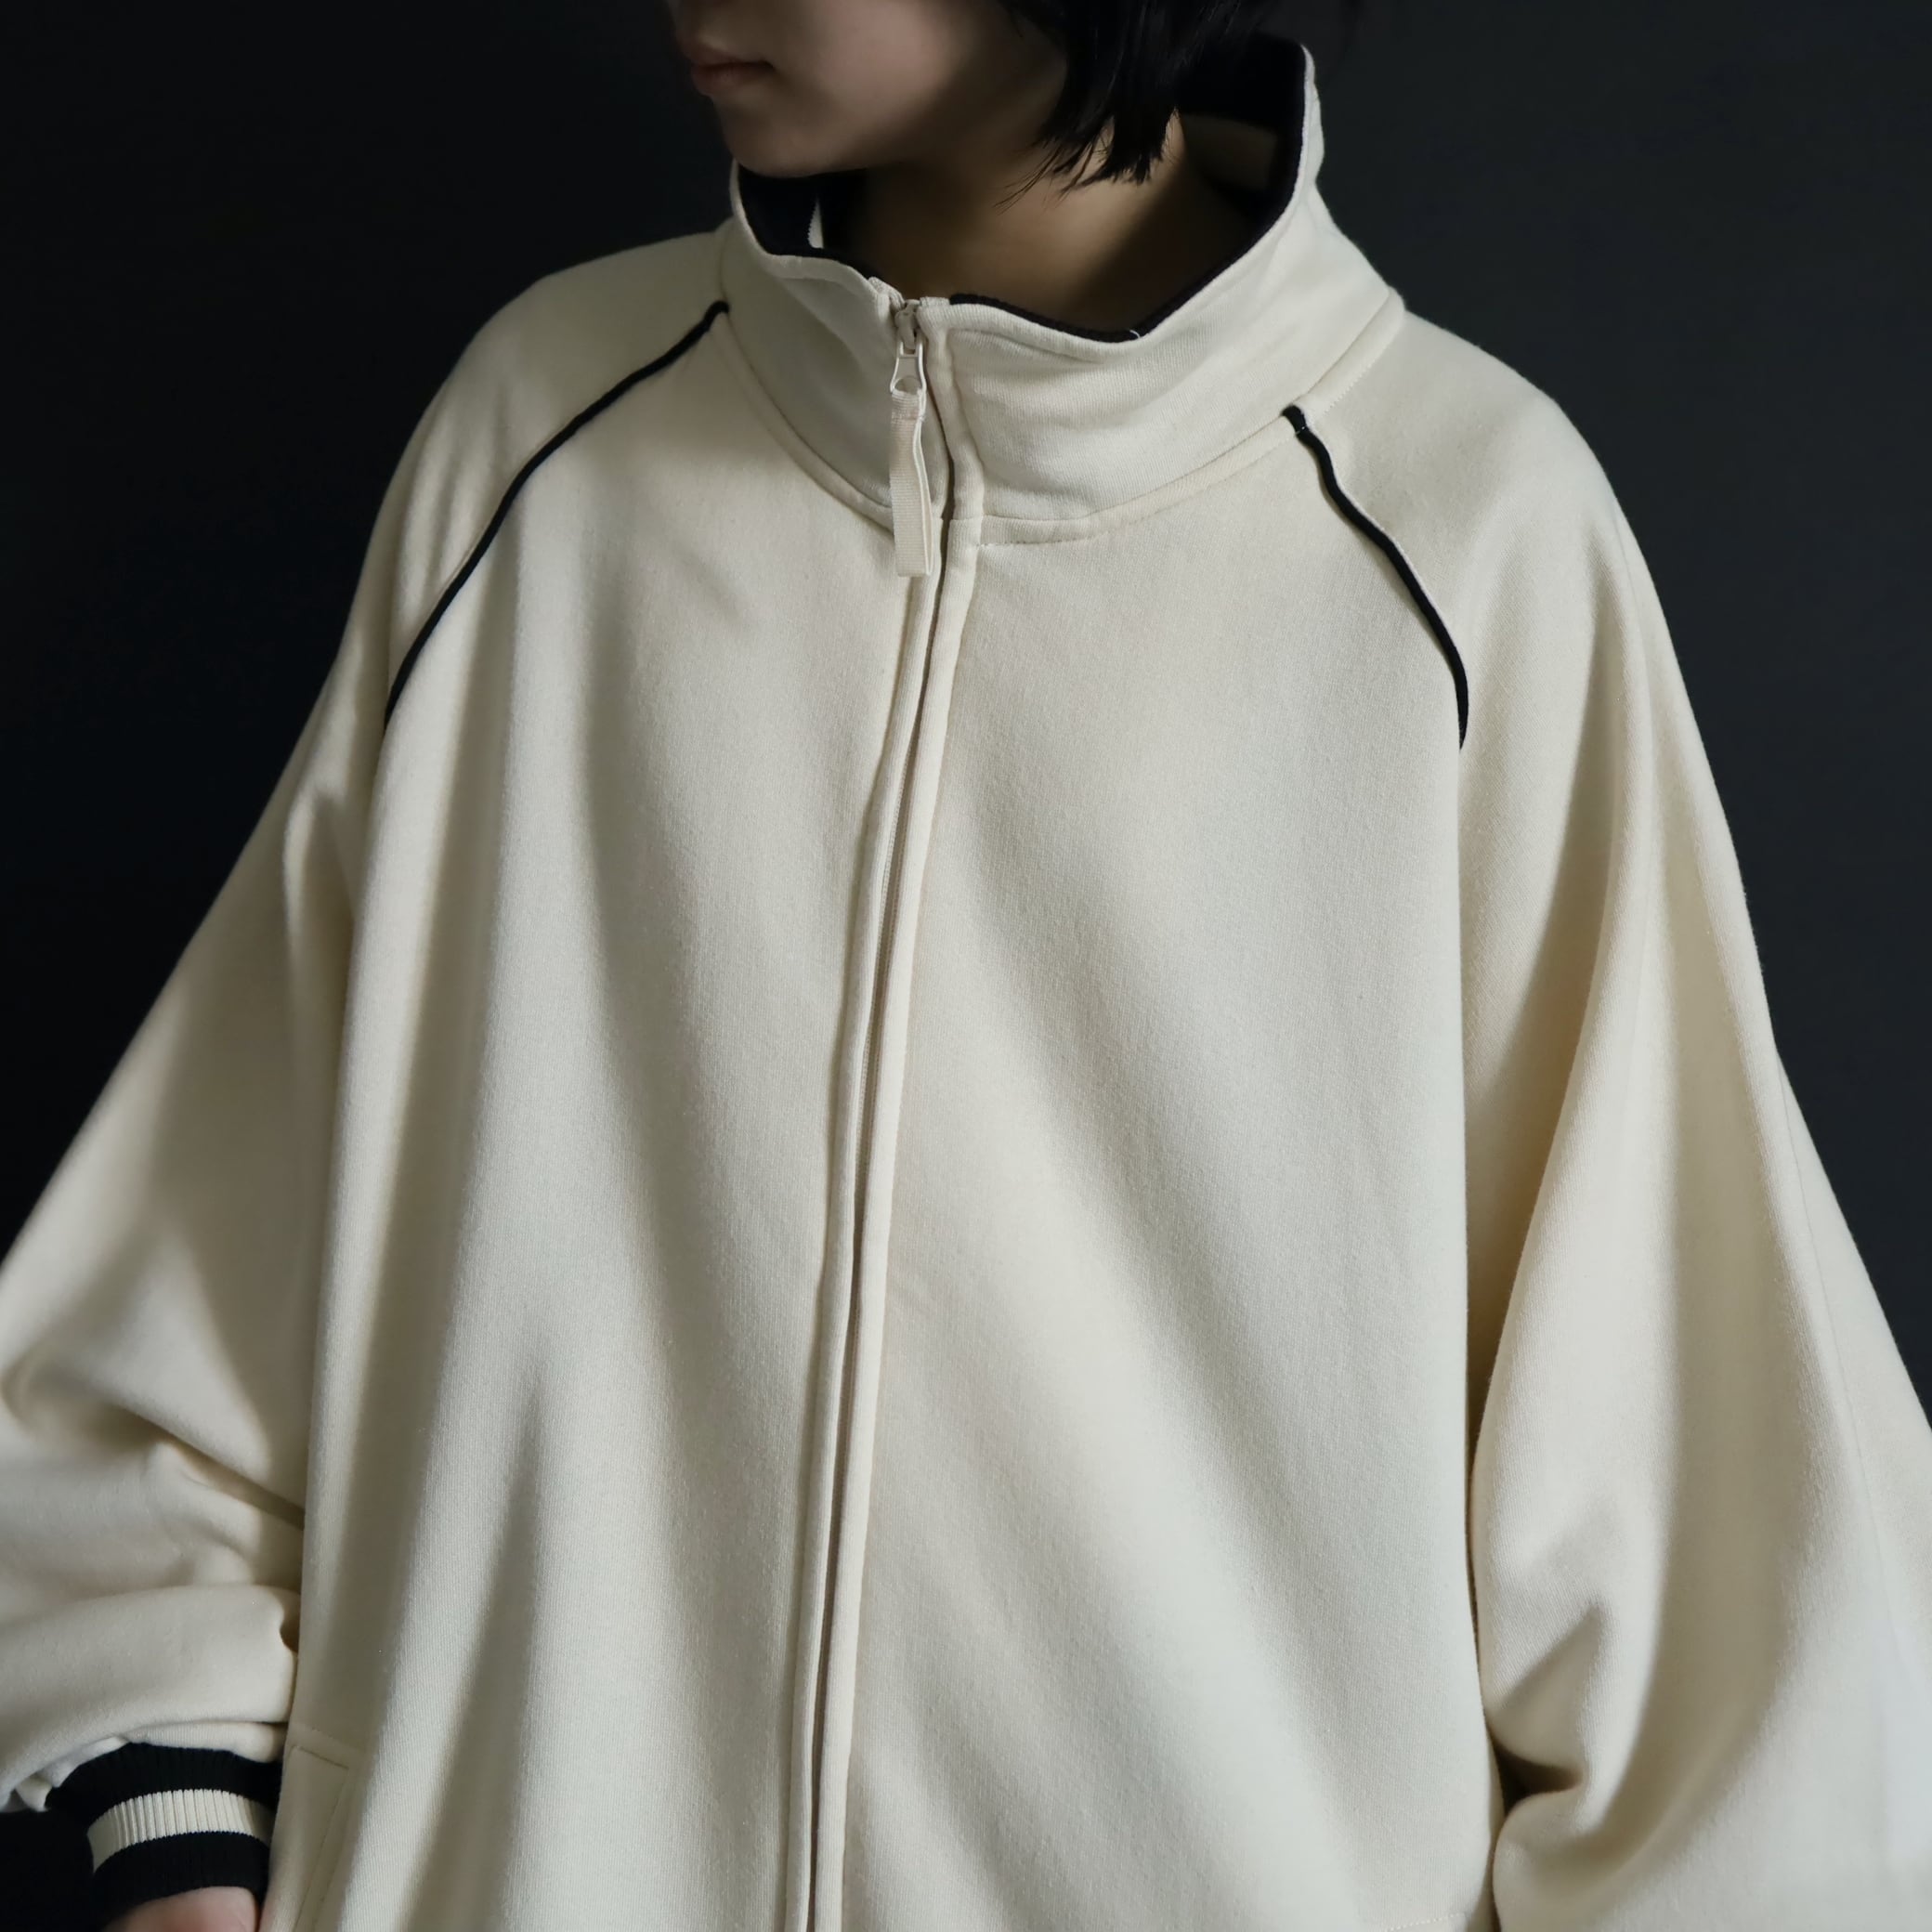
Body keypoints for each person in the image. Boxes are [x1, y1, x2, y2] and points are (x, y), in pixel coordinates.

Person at [5, 0, 1930, 1927]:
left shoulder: (1460, 539)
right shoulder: (545, 444)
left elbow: (1722, 1541)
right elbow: (191, 1281)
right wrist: (174, 1834)